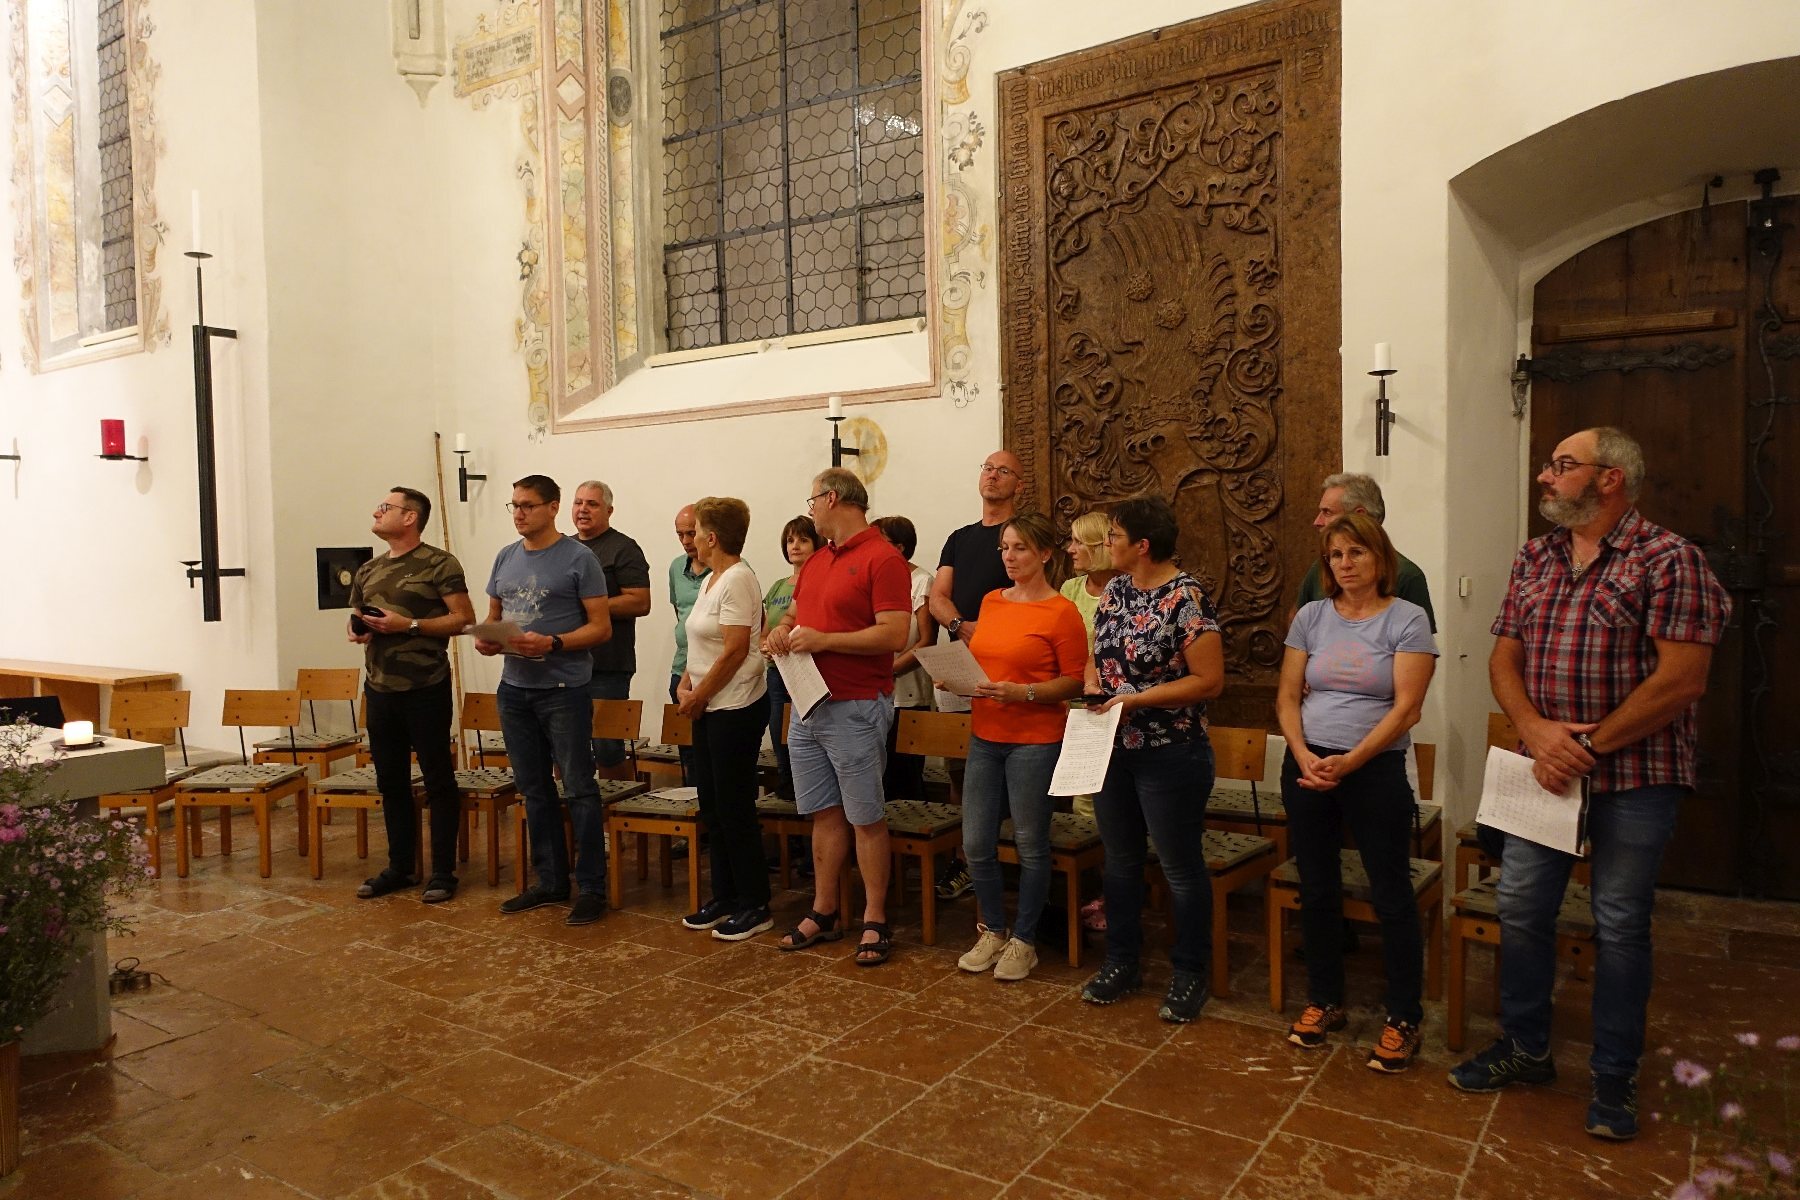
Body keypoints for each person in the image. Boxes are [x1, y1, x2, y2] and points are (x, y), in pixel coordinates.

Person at [1448, 427, 1729, 1141]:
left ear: (1611, 479)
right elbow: (1504, 660)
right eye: (1548, 465)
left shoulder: (1668, 558)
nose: (1546, 477)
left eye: (1562, 465)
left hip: (1637, 775)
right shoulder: (1535, 557)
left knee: (1621, 922)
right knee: (1520, 905)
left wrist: (1586, 746)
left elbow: (1682, 680)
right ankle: (1526, 1047)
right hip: (1543, 770)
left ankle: (1613, 1074)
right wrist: (1536, 731)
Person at [1277, 512, 1438, 1072]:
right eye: (1336, 555)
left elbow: (1407, 709)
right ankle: (1325, 999)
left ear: (1379, 557)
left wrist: (1351, 761)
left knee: (1390, 891)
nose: (1345, 564)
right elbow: (1287, 697)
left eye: (1356, 552)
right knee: (1316, 886)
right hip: (1308, 764)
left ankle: (1403, 1016)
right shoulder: (1312, 617)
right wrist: (1303, 753)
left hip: (1374, 769)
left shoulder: (1407, 618)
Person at [1080, 494, 1224, 1024]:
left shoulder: (1186, 597)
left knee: (1179, 867)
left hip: (1171, 752)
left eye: (1114, 536)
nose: (1106, 543)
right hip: (1113, 747)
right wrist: (1092, 684)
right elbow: (1097, 655)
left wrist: (1137, 700)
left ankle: (1190, 971)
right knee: (1119, 861)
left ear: (1143, 545)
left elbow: (1209, 681)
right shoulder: (1116, 589)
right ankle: (1122, 961)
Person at [763, 468, 912, 966]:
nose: (809, 511)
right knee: (823, 813)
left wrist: (824, 640)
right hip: (808, 704)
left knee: (865, 816)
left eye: (812, 502)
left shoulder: (883, 558)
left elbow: (894, 634)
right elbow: (794, 616)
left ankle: (875, 917)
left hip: (855, 704)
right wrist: (780, 633)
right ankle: (824, 910)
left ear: (832, 498)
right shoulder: (818, 560)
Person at [476, 475, 614, 924]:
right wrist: (488, 639)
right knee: (533, 788)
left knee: (578, 787)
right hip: (515, 688)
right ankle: (551, 880)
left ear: (553, 507)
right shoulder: (505, 556)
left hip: (563, 689)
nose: (518, 513)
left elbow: (601, 628)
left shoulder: (579, 558)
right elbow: (494, 615)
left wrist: (553, 643)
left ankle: (591, 887)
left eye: (528, 505)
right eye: (514, 505)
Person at [956, 513, 1087, 983]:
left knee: (1031, 842)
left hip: (1035, 739)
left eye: (1020, 549)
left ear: (1045, 554)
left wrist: (1024, 692)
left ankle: (1024, 940)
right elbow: (985, 660)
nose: (1009, 557)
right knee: (976, 842)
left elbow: (1074, 681)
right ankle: (993, 929)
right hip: (986, 734)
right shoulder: (992, 601)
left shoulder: (1061, 612)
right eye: (1004, 548)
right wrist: (959, 677)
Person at [347, 488, 476, 903]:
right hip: (380, 689)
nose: (376, 511)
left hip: (425, 687)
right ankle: (401, 867)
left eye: (385, 507)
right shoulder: (369, 569)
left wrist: (410, 626)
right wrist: (358, 629)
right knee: (391, 781)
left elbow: (463, 619)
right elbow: (358, 616)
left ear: (410, 517)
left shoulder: (439, 563)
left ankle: (442, 872)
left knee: (438, 779)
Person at [926, 449, 1023, 899]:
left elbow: (1030, 596)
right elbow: (938, 596)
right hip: (960, 660)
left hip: (1007, 662)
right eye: (987, 468)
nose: (993, 476)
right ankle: (966, 861)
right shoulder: (960, 538)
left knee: (1008, 769)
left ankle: (1009, 861)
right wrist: (960, 626)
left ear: (1019, 484)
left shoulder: (1023, 535)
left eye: (1003, 471)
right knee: (960, 770)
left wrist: (992, 632)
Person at [675, 497, 773, 941]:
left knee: (735, 808)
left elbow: (735, 650)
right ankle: (726, 896)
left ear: (711, 537)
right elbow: (698, 644)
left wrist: (699, 695)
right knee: (713, 805)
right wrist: (685, 684)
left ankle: (755, 902)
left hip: (734, 707)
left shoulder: (738, 579)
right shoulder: (712, 579)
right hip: (708, 704)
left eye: (696, 530)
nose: (691, 538)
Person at [1062, 510, 1121, 931]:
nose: (1071, 549)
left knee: (1109, 804)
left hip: (1115, 708)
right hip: (1073, 709)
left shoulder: (1125, 589)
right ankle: (1088, 891)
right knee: (1079, 803)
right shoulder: (1070, 589)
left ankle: (1113, 895)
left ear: (1101, 547)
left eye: (1079, 542)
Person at [572, 480, 651, 776]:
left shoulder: (623, 548)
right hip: (565, 664)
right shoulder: (563, 548)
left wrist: (590, 606)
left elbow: (640, 602)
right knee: (564, 746)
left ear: (609, 510)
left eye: (592, 504)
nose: (583, 509)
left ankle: (617, 805)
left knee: (607, 748)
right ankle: (569, 805)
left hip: (607, 667)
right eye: (578, 502)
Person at [1291, 473, 1436, 631]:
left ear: (1359, 515)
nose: (1317, 522)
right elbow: (1297, 621)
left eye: (1328, 512)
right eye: (1337, 556)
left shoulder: (1407, 575)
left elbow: (1419, 640)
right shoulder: (1323, 565)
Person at [873, 514, 935, 802]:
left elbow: (926, 641)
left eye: (880, 542)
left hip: (908, 693)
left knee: (904, 780)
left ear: (899, 547)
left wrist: (889, 669)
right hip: (873, 692)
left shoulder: (921, 581)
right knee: (876, 777)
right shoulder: (874, 577)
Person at [760, 515, 818, 801]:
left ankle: (806, 789)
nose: (795, 546)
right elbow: (764, 631)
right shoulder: (778, 586)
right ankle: (786, 786)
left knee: (804, 733)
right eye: (790, 540)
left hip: (806, 669)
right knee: (777, 730)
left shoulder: (819, 580)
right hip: (776, 670)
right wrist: (765, 644)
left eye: (803, 540)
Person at [667, 503, 711, 785]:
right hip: (681, 667)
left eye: (691, 533)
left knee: (711, 750)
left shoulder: (732, 568)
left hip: (713, 671)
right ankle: (693, 800)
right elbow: (681, 615)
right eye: (680, 534)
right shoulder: (675, 567)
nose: (685, 541)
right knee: (688, 752)